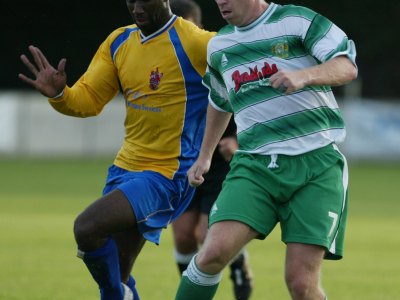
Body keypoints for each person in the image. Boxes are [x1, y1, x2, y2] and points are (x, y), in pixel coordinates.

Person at [18, 1, 214, 299]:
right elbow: (89, 100)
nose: (135, 7)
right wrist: (60, 94)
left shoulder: (199, 42)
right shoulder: (119, 41)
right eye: (130, 0)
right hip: (124, 169)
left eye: (142, 0)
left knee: (87, 228)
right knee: (119, 274)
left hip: (167, 174)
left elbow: (239, 84)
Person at [175, 1, 358, 299]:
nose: (221, 1)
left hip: (316, 165)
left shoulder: (296, 20)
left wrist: (304, 75)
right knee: (211, 253)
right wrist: (205, 156)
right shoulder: (219, 45)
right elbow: (220, 102)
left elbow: (347, 66)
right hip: (254, 166)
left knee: (301, 283)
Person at [169, 1, 253, 299]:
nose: (178, 30)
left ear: (197, 24)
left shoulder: (222, 51)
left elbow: (254, 101)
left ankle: (238, 261)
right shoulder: (167, 61)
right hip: (182, 160)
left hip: (219, 161)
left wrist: (239, 140)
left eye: (184, 23)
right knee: (182, 237)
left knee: (204, 235)